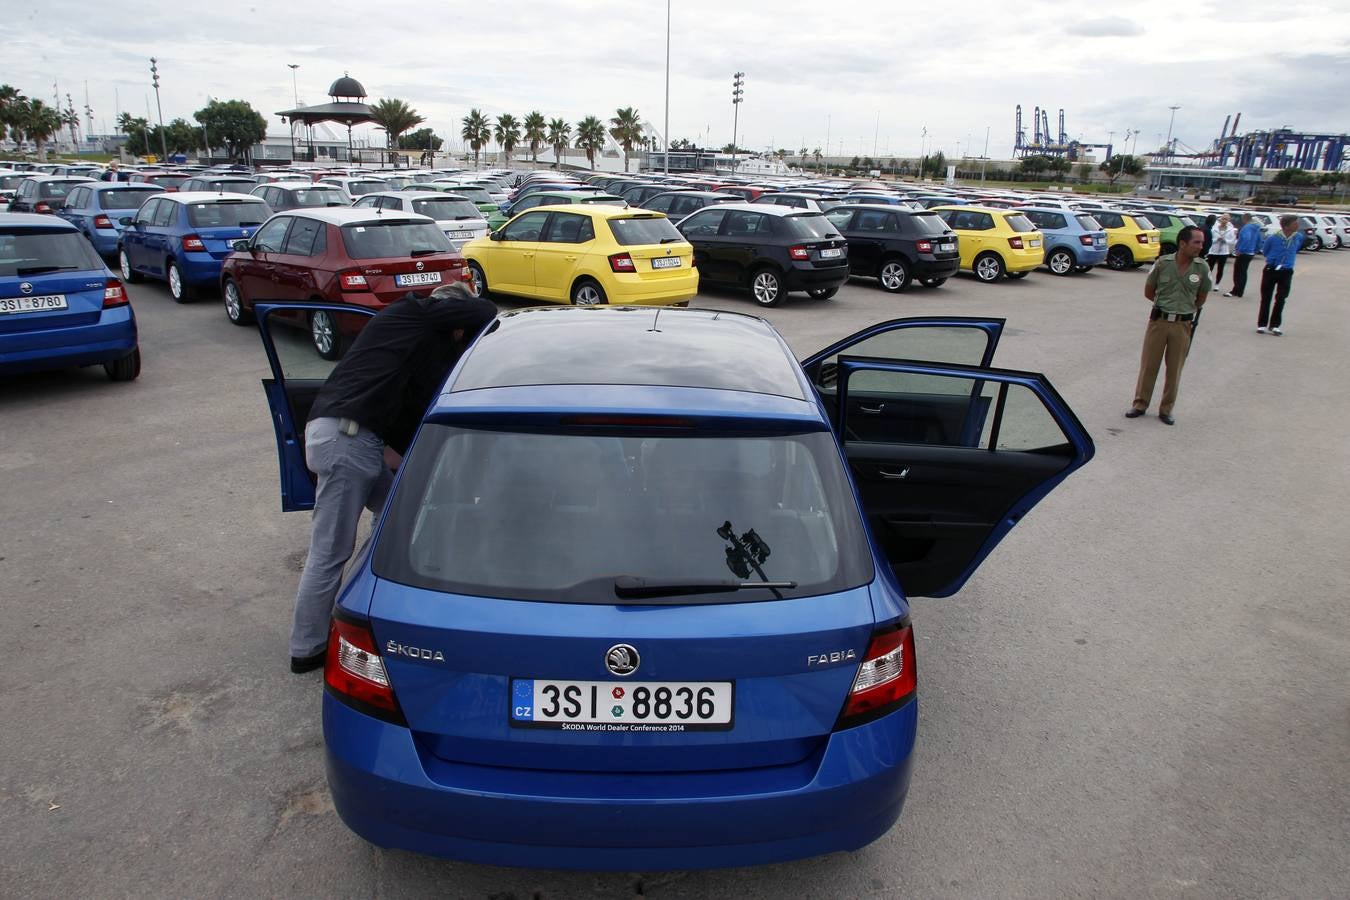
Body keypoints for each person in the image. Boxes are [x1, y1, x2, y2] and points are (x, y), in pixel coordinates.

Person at [288, 282, 496, 673]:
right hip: (346, 439)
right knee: (330, 550)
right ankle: (308, 648)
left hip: (354, 439)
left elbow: (407, 425)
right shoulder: (414, 311)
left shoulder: (408, 349)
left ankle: (369, 602)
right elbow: (483, 312)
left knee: (399, 520)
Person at [1125, 225, 1211, 426]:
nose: (1200, 246)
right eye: (1196, 242)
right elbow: (1149, 291)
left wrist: (1184, 310)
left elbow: (1201, 297)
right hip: (1159, 322)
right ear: (1183, 244)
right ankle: (1140, 404)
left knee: (1174, 369)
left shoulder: (1201, 267)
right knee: (1149, 366)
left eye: (1201, 242)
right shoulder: (1163, 263)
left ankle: (1166, 409)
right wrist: (1165, 307)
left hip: (1182, 325)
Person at [1256, 214, 1305, 336]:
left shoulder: (1297, 237)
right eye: (1295, 223)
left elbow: (1297, 248)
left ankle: (1275, 325)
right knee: (1266, 298)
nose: (1298, 225)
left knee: (1281, 298)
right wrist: (1273, 260)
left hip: (1286, 271)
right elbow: (1266, 251)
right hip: (1271, 270)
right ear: (1286, 226)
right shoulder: (1273, 238)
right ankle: (1262, 324)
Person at [1226, 213, 1263, 298]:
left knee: (1238, 272)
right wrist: (1255, 250)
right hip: (1250, 253)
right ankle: (1240, 291)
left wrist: (1240, 250)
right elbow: (1259, 240)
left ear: (1244, 218)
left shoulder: (1246, 228)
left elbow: (1246, 238)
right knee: (1243, 272)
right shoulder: (1256, 229)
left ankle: (1236, 291)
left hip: (1244, 253)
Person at [1207, 213, 1237, 288]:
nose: (1224, 221)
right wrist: (1216, 239)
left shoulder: (1230, 230)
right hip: (1213, 251)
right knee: (1209, 268)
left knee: (1220, 269)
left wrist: (1225, 240)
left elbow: (1232, 241)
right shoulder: (1214, 228)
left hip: (1224, 252)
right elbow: (1210, 239)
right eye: (1223, 219)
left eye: (1226, 219)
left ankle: (1217, 284)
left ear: (1229, 220)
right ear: (1220, 219)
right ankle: (1208, 283)